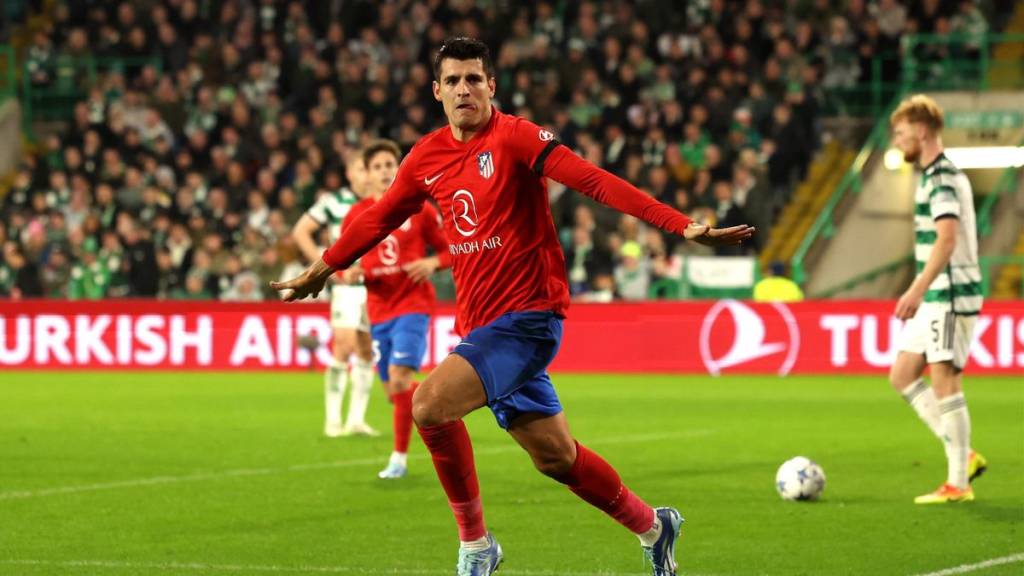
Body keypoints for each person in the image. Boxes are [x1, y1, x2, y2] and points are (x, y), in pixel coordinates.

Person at [273, 37, 753, 576]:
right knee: (557, 458)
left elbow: (593, 180)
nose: (464, 89)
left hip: (529, 317)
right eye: (452, 81)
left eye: (473, 79)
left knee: (428, 405)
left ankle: (476, 545)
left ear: (491, 86)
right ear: (437, 92)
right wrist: (323, 267)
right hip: (482, 328)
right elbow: (379, 218)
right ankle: (654, 526)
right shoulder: (425, 157)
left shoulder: (517, 137)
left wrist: (678, 224)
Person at [888, 94, 986, 504]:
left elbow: (947, 240)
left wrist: (916, 288)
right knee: (903, 374)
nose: (897, 141)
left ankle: (958, 482)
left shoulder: (943, 177)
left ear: (922, 130)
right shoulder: (931, 176)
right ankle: (965, 455)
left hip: (949, 292)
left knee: (945, 379)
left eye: (901, 132)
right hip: (936, 294)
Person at [344, 139, 452, 480]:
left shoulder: (420, 210)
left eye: (389, 164)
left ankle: (398, 460)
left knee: (401, 376)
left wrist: (432, 263)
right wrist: (349, 274)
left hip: (413, 304)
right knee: (395, 391)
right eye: (376, 167)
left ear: (399, 168)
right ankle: (440, 404)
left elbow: (452, 249)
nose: (384, 172)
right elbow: (343, 261)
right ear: (366, 174)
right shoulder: (356, 214)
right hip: (378, 309)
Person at [291, 152, 378, 438]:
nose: (367, 174)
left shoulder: (385, 200)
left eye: (369, 168)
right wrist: (325, 268)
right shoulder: (334, 201)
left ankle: (356, 420)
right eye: (361, 168)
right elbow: (301, 231)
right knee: (344, 345)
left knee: (366, 350)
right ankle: (332, 420)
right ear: (350, 173)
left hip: (375, 285)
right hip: (346, 287)